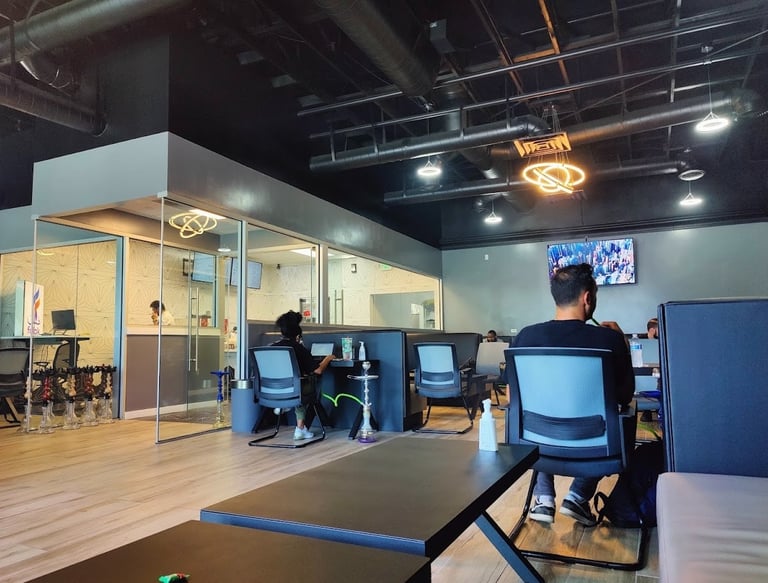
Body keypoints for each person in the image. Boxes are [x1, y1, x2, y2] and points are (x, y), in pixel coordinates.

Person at [513, 263, 635, 527]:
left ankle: (544, 497)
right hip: (594, 446)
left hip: (536, 442)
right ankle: (578, 495)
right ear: (587, 298)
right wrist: (622, 343)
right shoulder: (608, 339)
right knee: (618, 418)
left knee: (542, 414)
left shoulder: (524, 337)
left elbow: (514, 396)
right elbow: (625, 397)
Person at [271, 310, 334, 440]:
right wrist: (327, 359)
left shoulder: (272, 347)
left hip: (273, 390)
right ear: (298, 334)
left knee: (299, 383)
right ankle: (299, 428)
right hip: (295, 390)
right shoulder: (298, 348)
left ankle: (284, 404)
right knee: (306, 386)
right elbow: (318, 370)